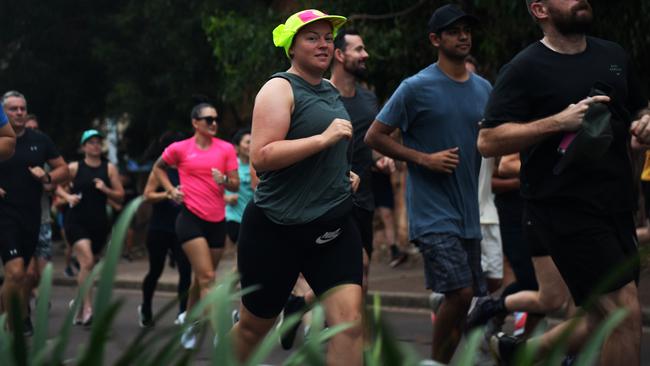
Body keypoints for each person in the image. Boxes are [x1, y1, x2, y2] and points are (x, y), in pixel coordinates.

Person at [477, 0, 649, 364]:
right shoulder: (524, 68)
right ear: (540, 9)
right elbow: (488, 140)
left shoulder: (613, 54)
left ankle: (518, 353)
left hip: (617, 207)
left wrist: (646, 120)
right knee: (624, 314)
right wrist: (558, 122)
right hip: (563, 210)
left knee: (597, 318)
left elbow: (639, 106)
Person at [231, 10, 363, 365]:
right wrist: (323, 139)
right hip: (277, 230)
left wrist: (344, 175)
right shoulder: (279, 89)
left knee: (349, 326)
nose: (323, 44)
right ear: (292, 47)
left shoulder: (330, 90)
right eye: (312, 37)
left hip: (332, 229)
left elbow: (331, 150)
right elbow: (262, 156)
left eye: (327, 37)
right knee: (253, 328)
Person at [365, 4, 491, 363]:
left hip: (470, 211)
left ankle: (447, 355)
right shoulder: (416, 87)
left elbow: (496, 136)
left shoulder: (484, 89)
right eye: (454, 31)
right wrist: (424, 159)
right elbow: (374, 137)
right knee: (462, 292)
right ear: (435, 39)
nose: (463, 36)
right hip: (432, 212)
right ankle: (434, 361)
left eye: (467, 29)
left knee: (465, 298)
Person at [153, 102, 239, 348]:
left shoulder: (225, 149)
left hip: (217, 221)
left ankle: (190, 323)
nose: (214, 123)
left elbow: (234, 184)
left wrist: (222, 179)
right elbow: (158, 168)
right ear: (195, 123)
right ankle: (221, 337)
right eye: (208, 119)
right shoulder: (180, 149)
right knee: (209, 276)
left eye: (216, 119)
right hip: (190, 219)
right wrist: (171, 190)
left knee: (201, 279)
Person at [0, 91, 69, 335]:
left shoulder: (40, 140)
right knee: (16, 270)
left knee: (26, 276)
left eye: (22, 108)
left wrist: (48, 175)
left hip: (31, 215)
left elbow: (64, 169)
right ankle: (13, 325)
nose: (19, 112)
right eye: (13, 109)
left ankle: (12, 313)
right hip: (4, 214)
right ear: (3, 113)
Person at [57, 129, 124, 325]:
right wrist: (68, 197)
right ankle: (88, 309)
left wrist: (106, 189)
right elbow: (56, 185)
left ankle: (79, 304)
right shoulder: (74, 167)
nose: (95, 145)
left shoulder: (109, 168)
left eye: (98, 142)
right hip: (76, 222)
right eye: (91, 142)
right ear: (83, 146)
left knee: (89, 266)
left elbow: (120, 195)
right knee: (86, 262)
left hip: (99, 224)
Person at [139, 131, 192, 327]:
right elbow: (147, 195)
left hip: (182, 228)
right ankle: (145, 307)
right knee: (155, 270)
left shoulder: (188, 168)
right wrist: (169, 194)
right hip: (159, 228)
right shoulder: (160, 170)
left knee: (186, 271)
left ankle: (182, 313)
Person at [23, 115, 56, 311]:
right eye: (30, 127)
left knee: (43, 271)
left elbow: (55, 185)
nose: (34, 130)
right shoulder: (12, 152)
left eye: (36, 127)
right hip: (19, 220)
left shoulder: (44, 155)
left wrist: (45, 178)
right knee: (28, 272)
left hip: (43, 218)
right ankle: (24, 302)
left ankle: (41, 299)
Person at [225, 128, 258, 247]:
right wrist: (226, 198)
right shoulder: (230, 166)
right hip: (235, 218)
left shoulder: (260, 165)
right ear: (237, 147)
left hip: (254, 217)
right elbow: (214, 189)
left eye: (253, 141)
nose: (251, 145)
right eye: (248, 142)